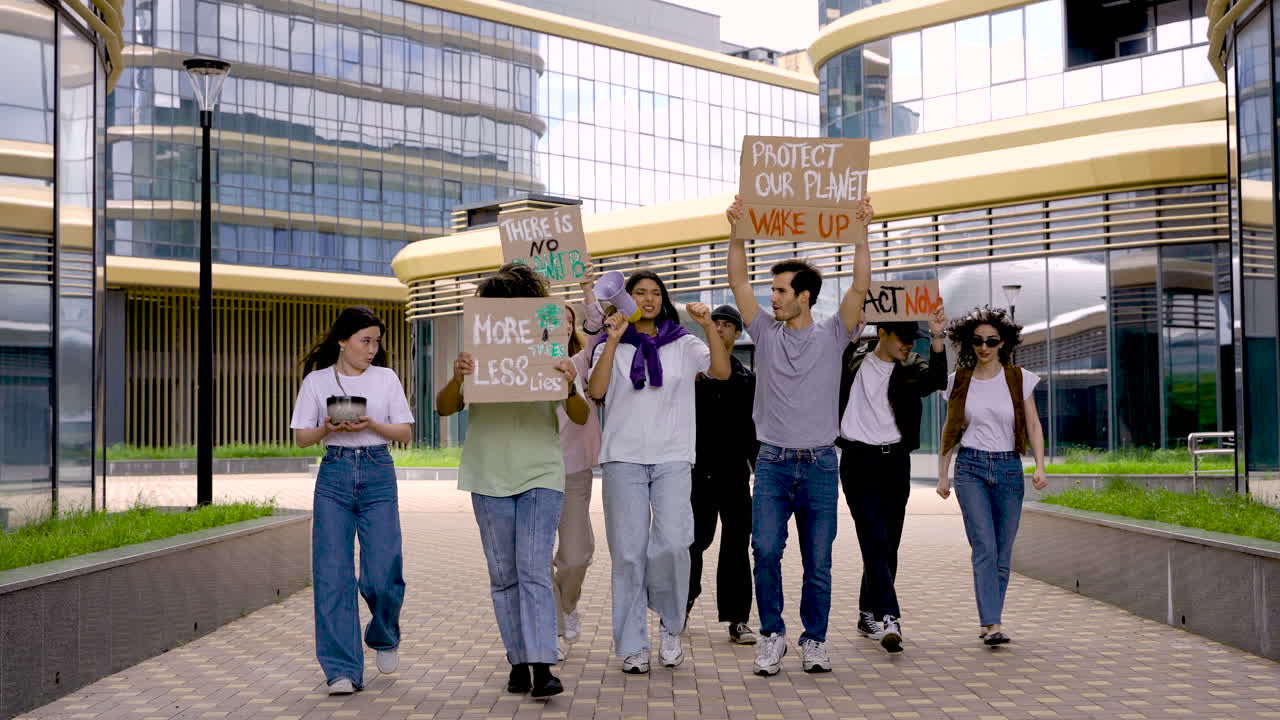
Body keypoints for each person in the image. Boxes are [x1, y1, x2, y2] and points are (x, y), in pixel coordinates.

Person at [724, 193, 875, 676]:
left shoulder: (835, 334)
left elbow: (859, 286)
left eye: (782, 291)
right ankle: (772, 635)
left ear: (804, 295)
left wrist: (861, 231)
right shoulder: (765, 332)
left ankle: (814, 640)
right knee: (765, 550)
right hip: (770, 463)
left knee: (819, 561)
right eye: (773, 291)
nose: (773, 297)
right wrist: (737, 229)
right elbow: (738, 280)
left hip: (819, 465)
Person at [437, 263, 590, 698]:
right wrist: (458, 376)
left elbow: (579, 416)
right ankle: (518, 660)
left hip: (542, 470)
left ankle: (544, 664)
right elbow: (444, 407)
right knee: (504, 573)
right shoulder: (477, 351)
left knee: (532, 568)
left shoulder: (549, 344)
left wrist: (570, 384)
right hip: (487, 472)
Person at [588, 270, 731, 674]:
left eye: (654, 293)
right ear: (625, 299)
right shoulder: (609, 342)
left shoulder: (683, 342)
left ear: (663, 300)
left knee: (673, 542)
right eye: (639, 293)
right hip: (623, 458)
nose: (647, 300)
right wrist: (613, 339)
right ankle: (632, 644)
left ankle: (671, 624)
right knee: (629, 554)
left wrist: (707, 327)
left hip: (672, 457)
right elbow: (596, 392)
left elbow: (720, 371)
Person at [290, 306, 414, 696]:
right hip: (334, 475)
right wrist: (327, 427)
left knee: (382, 571)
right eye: (365, 341)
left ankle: (385, 633)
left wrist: (371, 424)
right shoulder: (316, 381)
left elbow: (406, 433)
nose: (373, 349)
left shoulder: (386, 378)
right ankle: (341, 669)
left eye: (377, 341)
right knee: (332, 575)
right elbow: (301, 437)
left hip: (378, 472)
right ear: (342, 341)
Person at [935, 306, 1049, 647]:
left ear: (1003, 343)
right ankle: (992, 621)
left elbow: (1032, 423)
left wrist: (1040, 466)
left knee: (1002, 550)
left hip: (1009, 468)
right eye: (978, 341)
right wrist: (943, 474)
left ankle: (992, 620)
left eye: (992, 341)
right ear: (968, 343)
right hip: (970, 468)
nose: (984, 347)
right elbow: (950, 428)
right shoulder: (959, 381)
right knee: (984, 545)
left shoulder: (1019, 378)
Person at [836, 309, 948, 654]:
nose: (909, 344)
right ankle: (889, 616)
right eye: (903, 338)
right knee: (873, 536)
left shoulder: (912, 364)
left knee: (889, 543)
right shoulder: (854, 358)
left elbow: (936, 381)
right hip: (858, 460)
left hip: (895, 462)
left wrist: (939, 338)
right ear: (882, 332)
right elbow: (826, 370)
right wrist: (848, 337)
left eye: (914, 339)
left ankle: (867, 612)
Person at [686, 304, 759, 646]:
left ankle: (738, 619)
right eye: (714, 323)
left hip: (733, 475)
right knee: (692, 542)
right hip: (696, 472)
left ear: (737, 333)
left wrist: (761, 471)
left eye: (727, 325)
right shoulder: (693, 375)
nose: (719, 328)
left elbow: (753, 431)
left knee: (736, 546)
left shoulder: (747, 379)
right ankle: (683, 601)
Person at [552, 267, 607, 659]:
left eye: (567, 318)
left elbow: (597, 322)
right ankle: (551, 627)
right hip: (529, 468)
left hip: (573, 466)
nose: (562, 323)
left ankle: (567, 604)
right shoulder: (522, 364)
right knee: (534, 559)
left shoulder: (582, 357)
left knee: (575, 553)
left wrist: (586, 287)